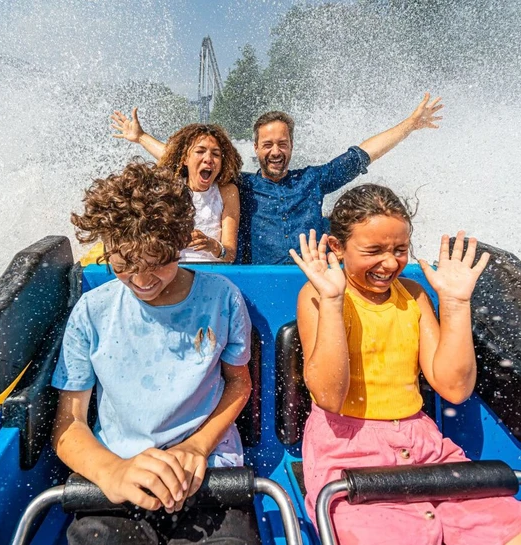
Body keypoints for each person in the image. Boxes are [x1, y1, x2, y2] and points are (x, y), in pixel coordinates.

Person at [289, 184, 521, 545]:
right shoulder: (317, 294)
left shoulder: (415, 297)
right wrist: (331, 299)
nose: (390, 263)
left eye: (400, 250)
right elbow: (328, 395)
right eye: (373, 251)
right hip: (348, 452)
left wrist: (454, 302)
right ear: (337, 247)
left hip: (426, 448)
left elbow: (453, 387)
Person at [51, 160, 258, 544]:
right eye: (124, 265)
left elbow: (238, 385)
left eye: (158, 263)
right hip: (117, 475)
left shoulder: (222, 298)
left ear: (181, 242)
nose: (143, 281)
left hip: (211, 474)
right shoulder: (91, 313)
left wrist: (197, 446)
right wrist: (112, 472)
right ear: (108, 249)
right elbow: (69, 423)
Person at [110, 94, 442, 264]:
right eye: (267, 144)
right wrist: (141, 137)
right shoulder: (241, 185)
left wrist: (410, 125)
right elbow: (190, 157)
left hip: (307, 280)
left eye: (282, 144)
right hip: (255, 282)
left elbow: (360, 156)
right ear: (256, 148)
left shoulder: (313, 179)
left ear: (291, 147)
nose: (275, 151)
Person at [111, 113, 243, 262]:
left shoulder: (227, 191)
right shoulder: (171, 186)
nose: (208, 159)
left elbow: (230, 255)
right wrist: (140, 136)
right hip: (173, 270)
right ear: (185, 159)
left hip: (213, 271)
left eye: (216, 154)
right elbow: (169, 156)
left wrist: (212, 245)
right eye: (200, 151)